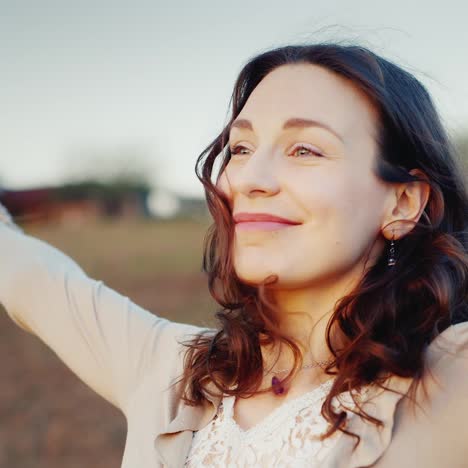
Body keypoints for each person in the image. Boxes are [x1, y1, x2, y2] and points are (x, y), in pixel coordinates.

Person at [1, 41, 467, 468]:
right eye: (241, 148)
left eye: (305, 149)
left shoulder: (448, 382)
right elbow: (23, 270)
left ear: (403, 203)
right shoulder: (168, 368)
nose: (248, 178)